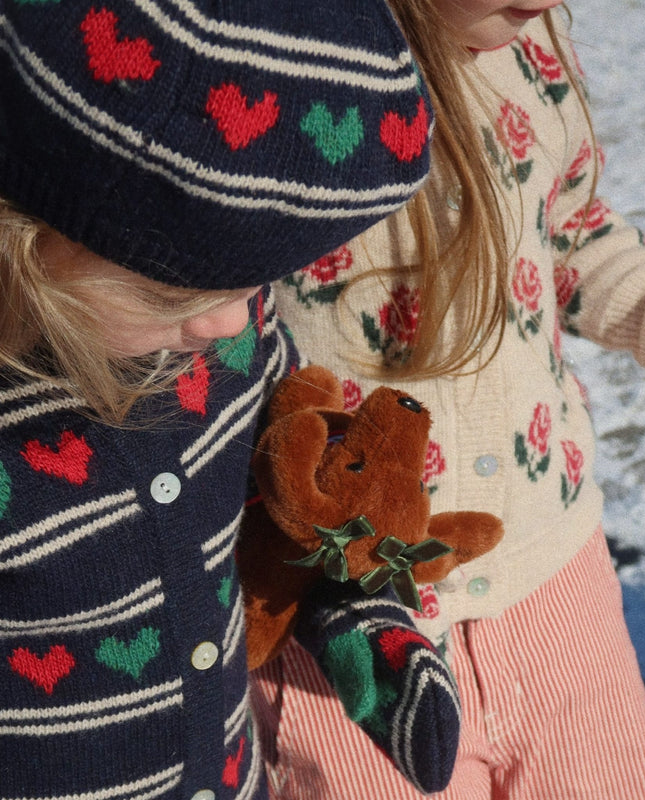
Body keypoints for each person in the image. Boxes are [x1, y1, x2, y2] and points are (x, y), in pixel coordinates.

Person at [249, 0, 645, 797]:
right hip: (350, 633)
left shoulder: (530, 48)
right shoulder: (265, 62)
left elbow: (569, 239)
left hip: (555, 585)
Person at [0, 1, 433, 798]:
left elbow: (288, 485)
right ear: (25, 233)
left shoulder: (226, 333)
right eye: (169, 290)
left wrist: (354, 605)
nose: (236, 320)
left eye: (258, 283)